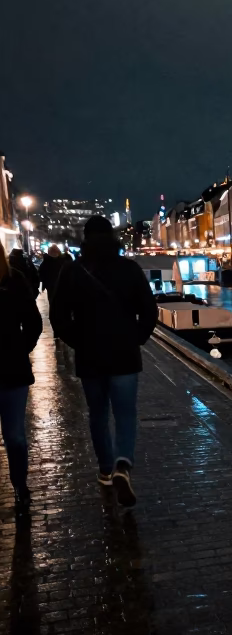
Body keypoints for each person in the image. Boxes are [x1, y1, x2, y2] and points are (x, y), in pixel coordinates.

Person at [50, 216, 158, 507]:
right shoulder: (130, 269)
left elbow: (58, 318)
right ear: (111, 237)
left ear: (86, 239)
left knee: (97, 414)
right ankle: (124, 463)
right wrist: (135, 338)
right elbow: (150, 311)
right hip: (124, 355)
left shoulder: (72, 271)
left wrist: (78, 341)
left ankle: (105, 468)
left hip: (91, 356)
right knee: (125, 413)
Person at [0, 244, 43, 513]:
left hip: (10, 369)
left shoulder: (14, 280)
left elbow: (33, 322)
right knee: (15, 435)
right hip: (13, 366)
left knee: (14, 435)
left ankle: (20, 486)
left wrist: (19, 348)